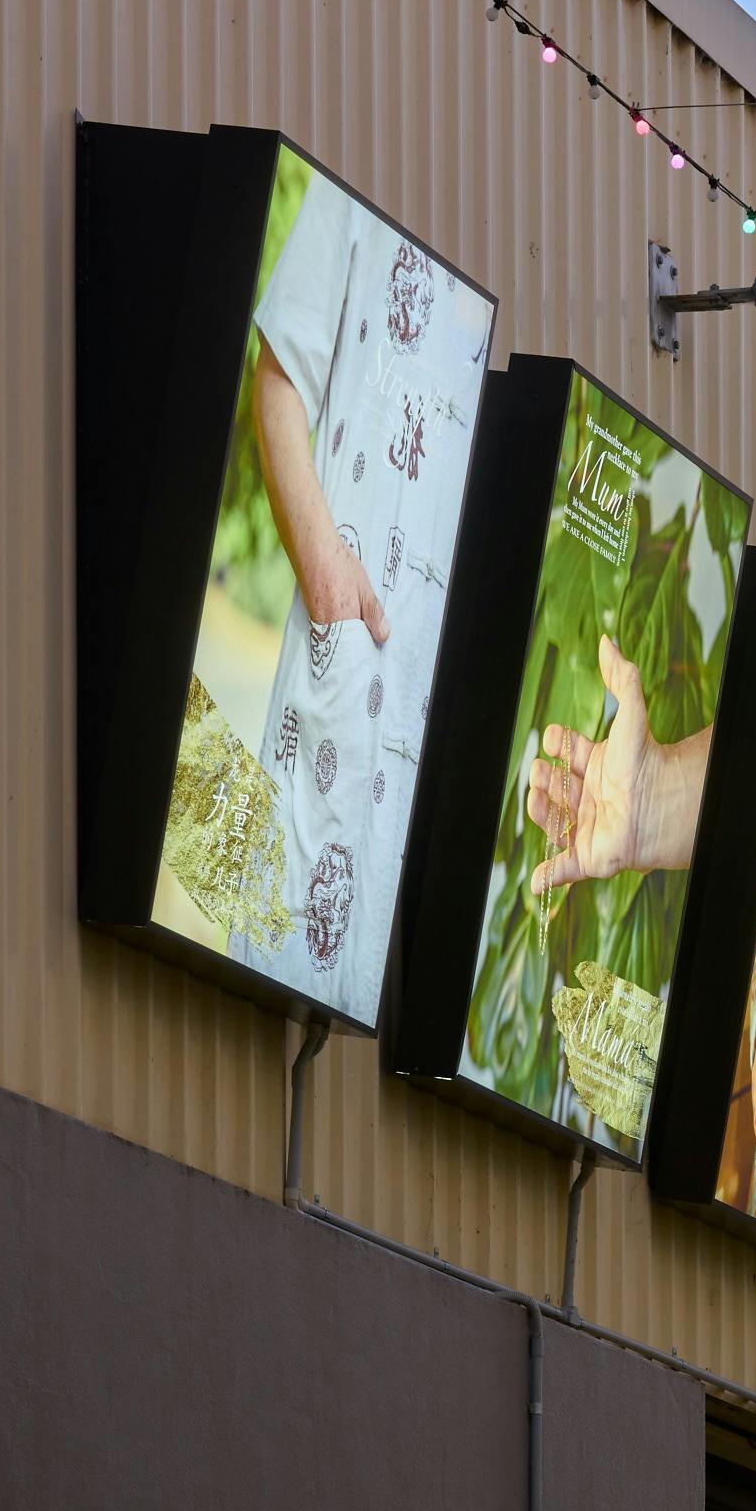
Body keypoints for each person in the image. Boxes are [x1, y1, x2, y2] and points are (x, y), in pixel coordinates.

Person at [227, 164, 489, 1024]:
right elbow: (280, 376)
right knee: (267, 981)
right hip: (338, 691)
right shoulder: (359, 185)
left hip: (429, 739)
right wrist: (327, 573)